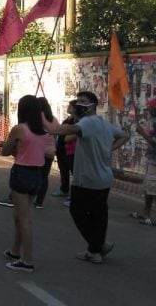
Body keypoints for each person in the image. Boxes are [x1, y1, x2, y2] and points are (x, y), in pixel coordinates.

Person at [49, 91, 130, 264]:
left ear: (93, 105)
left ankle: (95, 248)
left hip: (87, 178)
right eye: (78, 100)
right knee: (98, 214)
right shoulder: (103, 123)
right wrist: (110, 148)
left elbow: (69, 130)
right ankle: (98, 246)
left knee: (77, 210)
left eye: (83, 101)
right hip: (103, 177)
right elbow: (124, 136)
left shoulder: (87, 121)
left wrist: (53, 129)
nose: (79, 103)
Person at [1, 95, 55, 272]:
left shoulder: (19, 129)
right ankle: (15, 251)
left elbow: (5, 151)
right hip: (37, 174)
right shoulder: (44, 131)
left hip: (22, 172)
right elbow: (48, 153)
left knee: (24, 219)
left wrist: (14, 147)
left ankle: (28, 260)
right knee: (18, 215)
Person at [132, 98, 156, 225]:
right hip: (152, 159)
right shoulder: (153, 121)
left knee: (152, 187)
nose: (150, 110)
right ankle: (145, 212)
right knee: (149, 187)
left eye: (152, 108)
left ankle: (147, 214)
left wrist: (143, 134)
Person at [34, 97, 59, 208]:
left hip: (38, 150)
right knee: (44, 177)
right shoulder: (54, 119)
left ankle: (27, 196)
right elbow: (56, 134)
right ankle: (40, 201)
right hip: (50, 150)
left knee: (33, 174)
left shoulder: (38, 117)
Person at [52, 100, 78, 200]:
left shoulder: (76, 120)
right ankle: (64, 189)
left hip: (70, 149)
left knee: (73, 170)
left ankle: (74, 193)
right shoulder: (69, 118)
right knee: (63, 170)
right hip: (61, 147)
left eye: (70, 106)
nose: (68, 107)